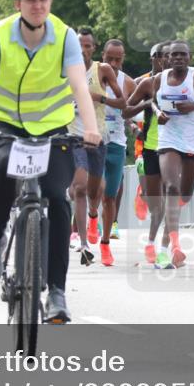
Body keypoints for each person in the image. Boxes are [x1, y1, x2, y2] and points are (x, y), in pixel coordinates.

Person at [0, 0, 101, 324]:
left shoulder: (65, 36)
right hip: (4, 122)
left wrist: (92, 129)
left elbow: (79, 87)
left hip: (53, 127)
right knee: (3, 173)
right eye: (30, 0)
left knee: (56, 197)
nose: (37, 6)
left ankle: (56, 293)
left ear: (50, 2)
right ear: (18, 4)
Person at [129, 41, 194, 268]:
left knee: (184, 195)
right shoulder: (154, 82)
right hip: (167, 140)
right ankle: (169, 248)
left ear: (190, 57)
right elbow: (126, 108)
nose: (179, 58)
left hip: (193, 142)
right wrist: (150, 106)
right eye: (174, 55)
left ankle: (167, 243)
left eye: (183, 54)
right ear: (166, 59)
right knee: (171, 188)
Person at [68, 27, 124, 265]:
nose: (83, 49)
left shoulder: (102, 70)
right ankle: (83, 244)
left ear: (93, 47)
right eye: (79, 45)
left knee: (95, 191)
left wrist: (99, 97)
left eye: (87, 45)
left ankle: (93, 217)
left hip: (97, 137)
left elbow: (122, 102)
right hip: (72, 137)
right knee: (79, 188)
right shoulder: (63, 71)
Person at [124, 42, 170, 264]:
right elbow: (127, 111)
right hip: (145, 146)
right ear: (151, 59)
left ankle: (161, 247)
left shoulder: (179, 82)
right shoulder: (142, 83)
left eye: (166, 56)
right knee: (155, 203)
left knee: (168, 199)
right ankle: (143, 191)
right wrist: (134, 129)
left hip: (172, 147)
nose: (164, 60)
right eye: (159, 56)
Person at [98, 38, 136, 265]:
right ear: (102, 56)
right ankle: (91, 220)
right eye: (109, 58)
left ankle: (105, 243)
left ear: (123, 60)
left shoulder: (128, 82)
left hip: (117, 144)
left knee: (110, 196)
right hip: (94, 141)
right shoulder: (91, 75)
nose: (113, 63)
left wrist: (131, 124)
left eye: (117, 59)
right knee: (95, 189)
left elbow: (128, 108)